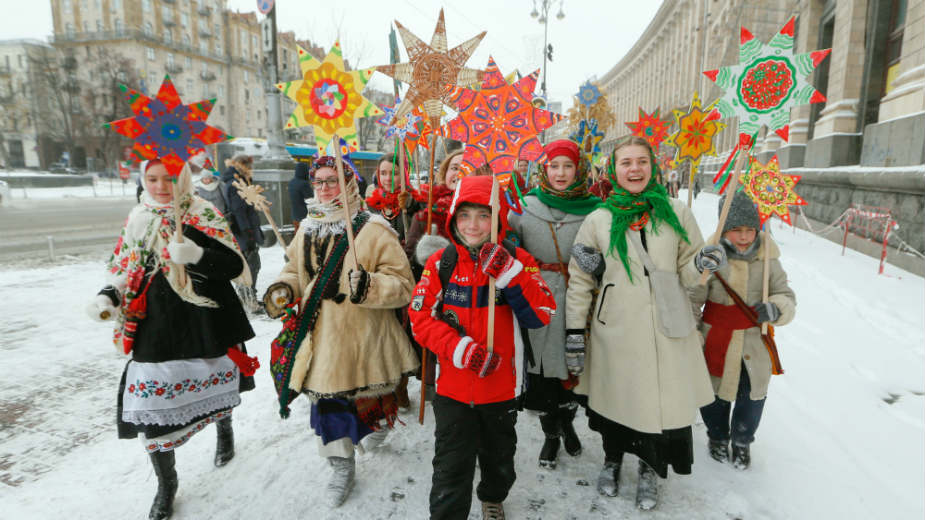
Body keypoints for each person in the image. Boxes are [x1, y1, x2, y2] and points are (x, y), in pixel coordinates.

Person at [87, 159, 257, 520]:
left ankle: (223, 428)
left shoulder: (202, 211)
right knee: (152, 409)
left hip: (205, 318)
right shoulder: (139, 216)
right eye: (152, 179)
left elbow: (233, 265)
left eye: (168, 179)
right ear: (143, 180)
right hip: (157, 324)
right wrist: (109, 293)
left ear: (182, 178)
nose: (161, 186)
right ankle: (167, 484)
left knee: (217, 385)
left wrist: (198, 255)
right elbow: (124, 265)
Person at [565, 136, 724, 510]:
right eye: (626, 162)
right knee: (616, 400)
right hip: (615, 328)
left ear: (653, 166)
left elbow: (688, 271)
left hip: (667, 328)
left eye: (641, 161)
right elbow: (581, 280)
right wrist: (575, 331)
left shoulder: (676, 212)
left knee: (659, 405)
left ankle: (651, 468)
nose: (634, 169)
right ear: (613, 169)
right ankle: (613, 459)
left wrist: (701, 265)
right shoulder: (598, 220)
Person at [262, 156, 419, 508]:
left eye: (332, 181)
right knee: (327, 405)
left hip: (365, 337)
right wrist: (283, 289)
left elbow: (404, 285)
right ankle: (342, 467)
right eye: (318, 181)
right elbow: (293, 270)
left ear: (349, 184)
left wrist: (370, 285)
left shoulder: (374, 229)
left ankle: (378, 424)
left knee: (370, 402)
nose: (323, 188)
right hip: (320, 338)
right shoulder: (307, 226)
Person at [409, 175, 556, 520]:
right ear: (453, 220)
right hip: (454, 389)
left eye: (484, 215)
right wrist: (462, 351)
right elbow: (420, 320)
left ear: (499, 218)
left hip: (501, 388)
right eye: (464, 216)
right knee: (450, 465)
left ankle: (493, 496)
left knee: (499, 456)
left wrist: (510, 274)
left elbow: (541, 315)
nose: (473, 225)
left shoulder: (520, 259)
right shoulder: (440, 264)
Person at [507, 139, 601, 470]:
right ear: (543, 169)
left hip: (578, 298)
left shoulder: (595, 210)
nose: (561, 173)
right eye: (554, 166)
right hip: (535, 298)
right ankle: (551, 433)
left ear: (579, 170)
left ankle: (568, 421)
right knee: (542, 374)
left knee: (573, 368)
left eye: (568, 165)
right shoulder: (524, 206)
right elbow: (506, 243)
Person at [690, 191, 796, 470]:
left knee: (752, 396)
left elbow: (784, 293)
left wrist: (775, 307)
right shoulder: (711, 255)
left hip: (753, 341)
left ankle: (742, 440)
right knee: (714, 394)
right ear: (725, 229)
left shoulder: (768, 258)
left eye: (750, 230)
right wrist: (693, 330)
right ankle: (717, 436)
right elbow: (692, 295)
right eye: (737, 230)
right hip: (716, 336)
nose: (745, 237)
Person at [221, 153, 263, 312]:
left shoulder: (239, 181)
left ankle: (248, 297)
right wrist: (248, 232)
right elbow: (239, 210)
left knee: (252, 264)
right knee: (251, 265)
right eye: (249, 167)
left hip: (245, 230)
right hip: (244, 232)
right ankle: (248, 300)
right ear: (242, 165)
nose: (251, 170)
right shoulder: (235, 183)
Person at [365, 153, 419, 243]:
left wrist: (410, 205)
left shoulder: (415, 202)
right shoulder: (372, 204)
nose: (388, 178)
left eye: (394, 173)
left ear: (403, 175)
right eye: (383, 173)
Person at [288, 161, 313, 232]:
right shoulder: (304, 184)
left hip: (295, 214)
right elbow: (310, 198)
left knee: (297, 233)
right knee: (304, 236)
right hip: (305, 215)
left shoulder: (291, 182)